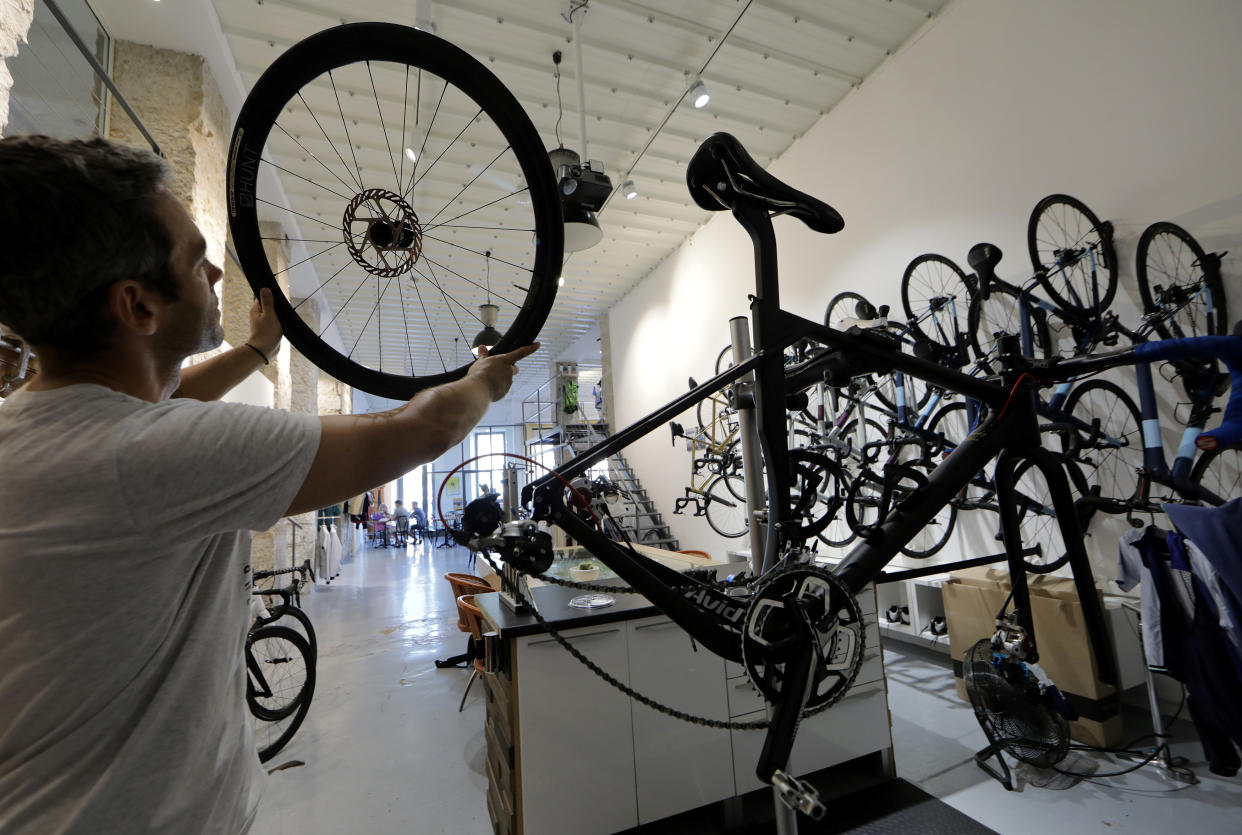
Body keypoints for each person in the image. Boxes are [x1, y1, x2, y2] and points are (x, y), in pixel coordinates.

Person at [0, 135, 539, 835]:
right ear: (137, 306)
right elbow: (423, 431)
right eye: (196, 261)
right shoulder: (152, 456)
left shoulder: (40, 425)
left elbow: (167, 396)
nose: (218, 271)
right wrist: (483, 381)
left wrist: (256, 351)